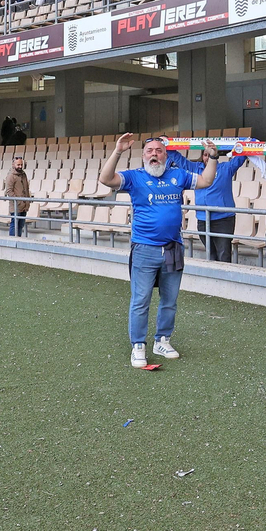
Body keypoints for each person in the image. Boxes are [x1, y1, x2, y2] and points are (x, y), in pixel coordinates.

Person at [99, 134, 219, 368]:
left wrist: (213, 157)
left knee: (170, 300)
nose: (154, 154)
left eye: (159, 151)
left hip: (173, 248)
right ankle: (138, 345)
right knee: (140, 300)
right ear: (144, 156)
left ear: (166, 155)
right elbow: (106, 179)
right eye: (150, 151)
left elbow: (205, 181)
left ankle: (162, 340)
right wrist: (118, 151)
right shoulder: (135, 177)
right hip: (144, 249)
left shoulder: (178, 175)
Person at [166, 140, 248, 263]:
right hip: (203, 219)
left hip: (223, 219)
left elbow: (240, 157)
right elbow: (179, 159)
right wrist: (166, 144)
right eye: (205, 154)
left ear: (216, 155)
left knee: (224, 254)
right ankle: (214, 280)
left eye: (210, 154)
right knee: (210, 254)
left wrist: (248, 144)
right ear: (202, 156)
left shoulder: (226, 168)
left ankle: (225, 280)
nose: (207, 157)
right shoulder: (195, 168)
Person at [3, 156, 32, 237]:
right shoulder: (11, 176)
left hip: (24, 205)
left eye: (21, 164)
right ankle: (12, 241)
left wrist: (27, 201)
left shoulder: (23, 174)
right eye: (18, 164)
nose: (20, 166)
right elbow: (9, 191)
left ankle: (18, 239)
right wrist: (18, 201)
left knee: (20, 225)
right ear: (13, 164)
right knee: (14, 225)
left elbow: (26, 188)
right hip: (16, 205)